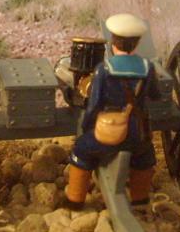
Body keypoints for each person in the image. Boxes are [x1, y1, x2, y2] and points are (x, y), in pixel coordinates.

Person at [65, 13, 160, 209]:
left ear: (112, 43)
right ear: (137, 43)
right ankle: (140, 201)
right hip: (136, 135)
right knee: (145, 157)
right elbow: (155, 95)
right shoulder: (147, 67)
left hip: (108, 135)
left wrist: (86, 127)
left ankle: (75, 201)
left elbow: (94, 105)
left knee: (81, 150)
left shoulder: (104, 69)